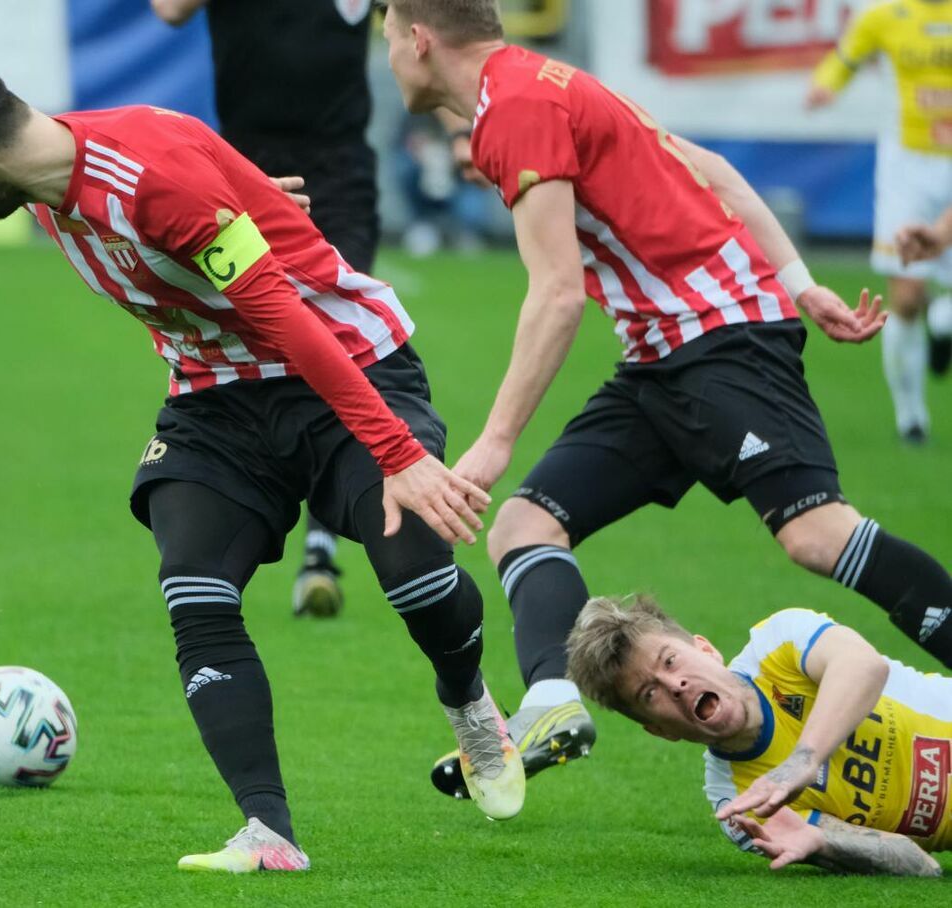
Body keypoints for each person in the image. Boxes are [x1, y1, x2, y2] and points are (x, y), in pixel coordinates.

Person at [0, 46, 526, 872]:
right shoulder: (52, 183)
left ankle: (468, 702)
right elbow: (196, 164)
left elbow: (284, 317)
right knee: (195, 589)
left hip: (343, 362)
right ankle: (269, 833)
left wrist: (399, 452)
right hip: (214, 400)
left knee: (415, 575)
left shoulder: (147, 178)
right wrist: (242, 205)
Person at [377, 0, 952, 802]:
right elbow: (710, 168)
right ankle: (552, 703)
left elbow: (557, 295)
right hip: (666, 353)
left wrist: (495, 439)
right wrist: (800, 282)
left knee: (818, 536)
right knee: (525, 525)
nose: (390, 60)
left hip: (719, 336)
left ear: (418, 39)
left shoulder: (514, 106)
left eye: (387, 40)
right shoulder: (548, 85)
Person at [151, 0, 382, 617]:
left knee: (339, 338)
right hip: (242, 168)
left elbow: (431, 23)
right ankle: (248, 514)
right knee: (260, 343)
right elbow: (168, 10)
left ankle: (322, 540)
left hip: (339, 168)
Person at [565, 596, 947, 877]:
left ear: (707, 650)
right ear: (659, 731)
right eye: (650, 694)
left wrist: (805, 759)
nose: (676, 684)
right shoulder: (740, 804)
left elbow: (865, 666)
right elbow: (921, 865)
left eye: (670, 660)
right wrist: (825, 844)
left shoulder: (779, 643)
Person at [807, 0, 952, 444]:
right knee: (905, 297)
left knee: (940, 310)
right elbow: (845, 57)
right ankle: (911, 418)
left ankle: (943, 320)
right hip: (906, 168)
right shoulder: (884, 15)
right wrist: (825, 85)